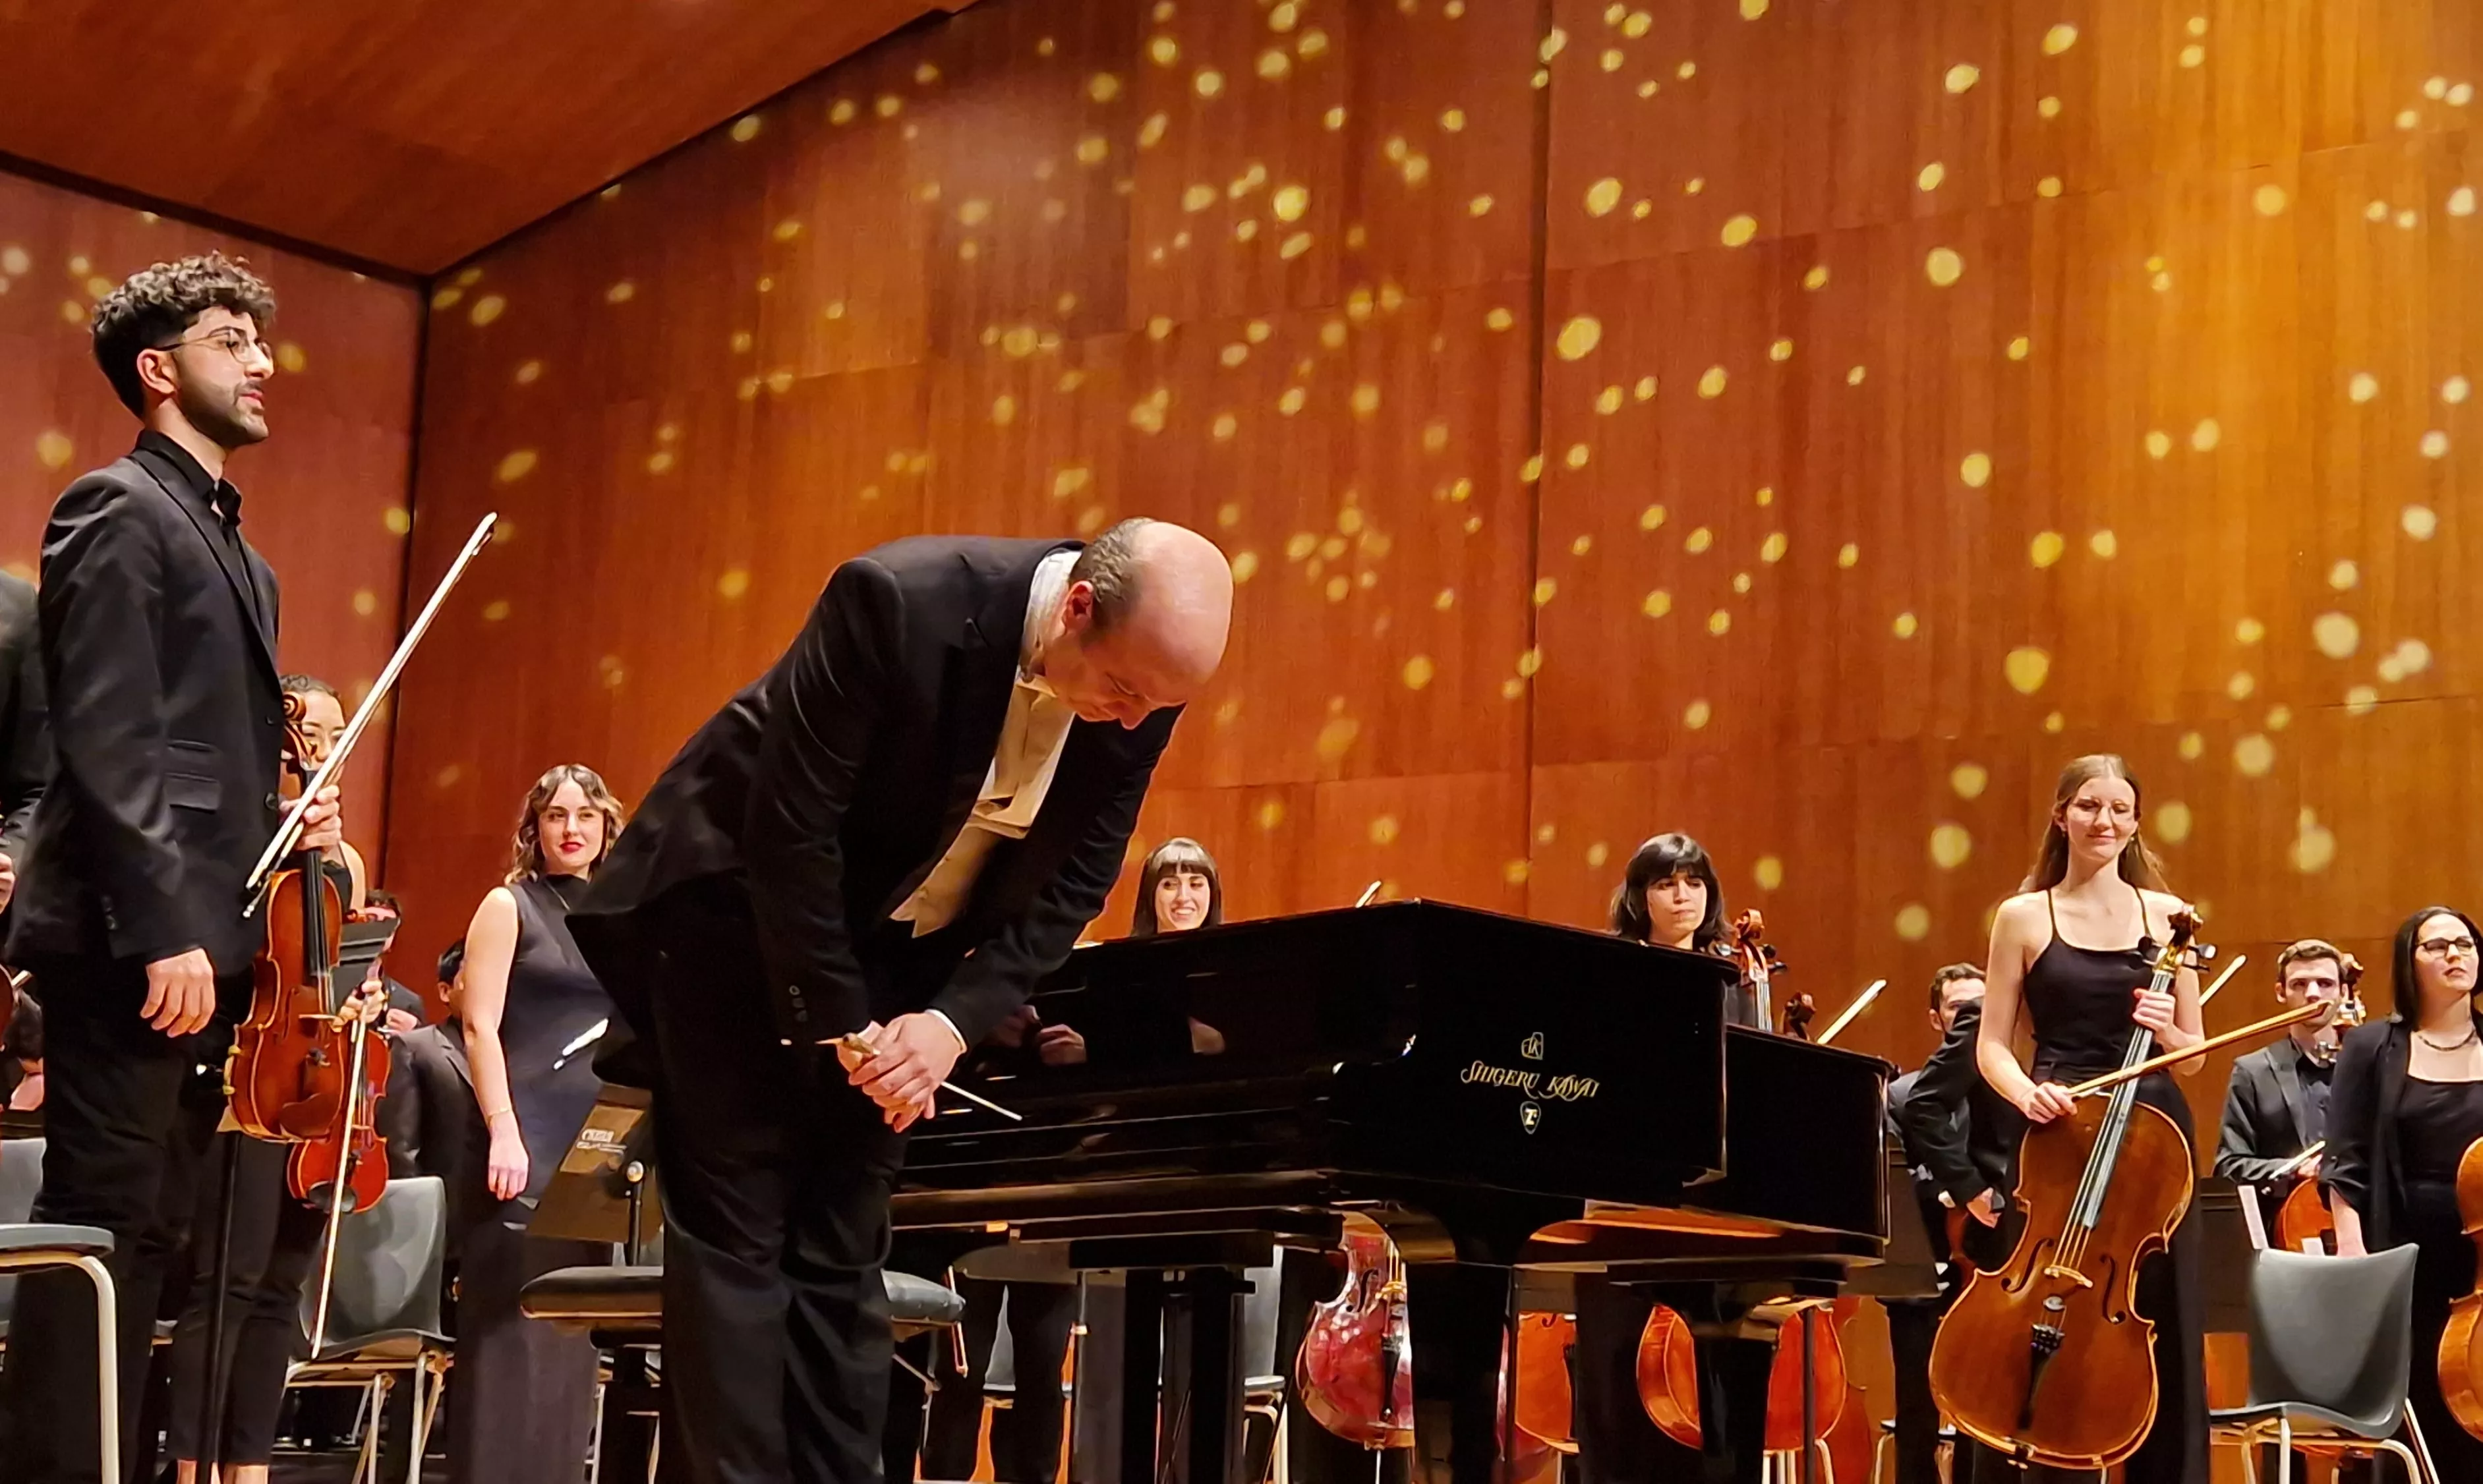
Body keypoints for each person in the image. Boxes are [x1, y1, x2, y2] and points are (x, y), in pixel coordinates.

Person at [570, 521, 1233, 1484]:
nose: (1132, 724)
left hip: (896, 960)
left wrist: (948, 1024)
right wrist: (842, 1026)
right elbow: (790, 833)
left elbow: (1077, 877)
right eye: (1126, 694)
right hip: (731, 925)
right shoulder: (895, 599)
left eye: (1157, 708)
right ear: (1077, 607)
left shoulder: (1140, 685)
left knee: (842, 1248)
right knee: (744, 1243)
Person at [0, 254, 346, 1484]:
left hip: (211, 933)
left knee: (156, 1233)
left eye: (260, 340)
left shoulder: (240, 554)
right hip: (132, 938)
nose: (261, 363)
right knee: (98, 1224)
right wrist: (162, 926)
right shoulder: (114, 507)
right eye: (227, 339)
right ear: (158, 372)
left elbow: (203, 754)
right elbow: (107, 731)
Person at [1966, 753, 2207, 1484]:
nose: (2104, 821)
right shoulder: (2021, 915)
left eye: (2120, 809)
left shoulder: (2170, 916)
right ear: (2060, 814)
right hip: (2058, 1129)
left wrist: (2167, 1029)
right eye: (2089, 806)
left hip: (2152, 1137)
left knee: (2152, 1308)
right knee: (2042, 1304)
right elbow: (1990, 1046)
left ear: (2134, 821)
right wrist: (2023, 1092)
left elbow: (2193, 1057)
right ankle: (2038, 1449)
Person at [161, 673, 376, 1484]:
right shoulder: (245, 849)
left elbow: (327, 965)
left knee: (281, 1287)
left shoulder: (341, 859)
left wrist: (362, 983)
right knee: (229, 1284)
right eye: (304, 734)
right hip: (247, 1083)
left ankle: (248, 1468)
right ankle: (191, 1468)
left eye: (330, 735)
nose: (316, 749)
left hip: (317, 1081)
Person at [447, 764, 626, 1484]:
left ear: (608, 825)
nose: (572, 827)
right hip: (521, 1143)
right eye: (555, 815)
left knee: (568, 1349)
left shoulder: (619, 912)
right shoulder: (508, 903)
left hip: (595, 1150)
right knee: (508, 1347)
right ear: (535, 828)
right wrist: (503, 1127)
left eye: (585, 814)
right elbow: (478, 1025)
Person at [2325, 905, 2483, 1477]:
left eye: (2463, 944)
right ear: (2407, 962)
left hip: (2480, 1260)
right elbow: (2344, 1158)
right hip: (2404, 1251)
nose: (2454, 955)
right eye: (2436, 946)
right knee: (2411, 1404)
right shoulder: (2372, 1047)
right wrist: (2351, 1250)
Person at [1882, 965, 1994, 1484]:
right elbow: (1894, 1182)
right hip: (1920, 1271)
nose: (1971, 1017)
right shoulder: (1901, 1097)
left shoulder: (2001, 1087)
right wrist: (1947, 1189)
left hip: (1989, 1272)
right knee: (1916, 1413)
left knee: (1985, 1407)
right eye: (1958, 1009)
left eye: (1981, 1005)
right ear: (1936, 1019)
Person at [2216, 940, 2357, 1232]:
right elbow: (2228, 1167)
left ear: (2343, 992)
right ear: (2281, 993)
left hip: (2368, 1227)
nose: (2313, 994)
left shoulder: (2370, 1067)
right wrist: (2294, 1170)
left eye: (2326, 983)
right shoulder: (2253, 1071)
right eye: (2300, 984)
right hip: (2287, 1231)